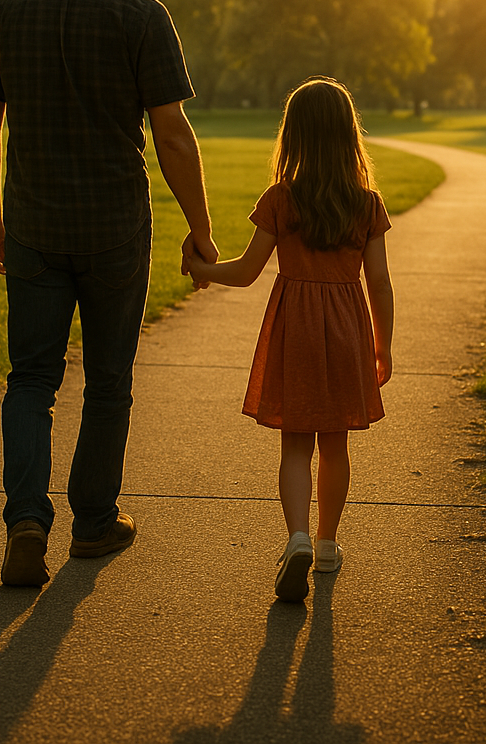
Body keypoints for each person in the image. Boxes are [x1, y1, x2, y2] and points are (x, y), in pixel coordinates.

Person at [0, 0, 219, 588]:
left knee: (31, 380)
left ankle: (24, 521)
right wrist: (201, 230)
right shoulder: (140, 16)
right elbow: (172, 134)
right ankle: (94, 524)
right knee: (108, 381)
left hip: (35, 228)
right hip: (113, 233)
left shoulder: (8, 7)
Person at [186, 77, 395, 603]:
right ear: (350, 137)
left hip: (295, 328)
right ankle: (327, 543)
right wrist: (382, 345)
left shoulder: (281, 199)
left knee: (296, 445)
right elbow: (381, 282)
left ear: (293, 137)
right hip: (348, 327)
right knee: (337, 445)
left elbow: (249, 270)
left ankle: (296, 536)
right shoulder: (366, 204)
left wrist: (203, 268)